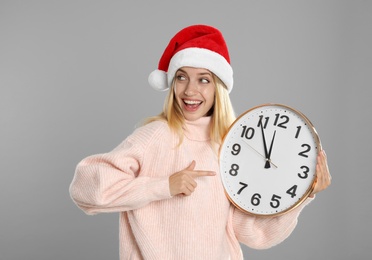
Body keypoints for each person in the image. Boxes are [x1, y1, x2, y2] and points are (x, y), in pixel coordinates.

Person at [69, 24, 331, 260]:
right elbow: (85, 189)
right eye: (181, 77)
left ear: (218, 87)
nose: (190, 90)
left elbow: (252, 234)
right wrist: (164, 186)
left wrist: (303, 194)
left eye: (203, 80)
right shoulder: (156, 136)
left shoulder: (229, 147)